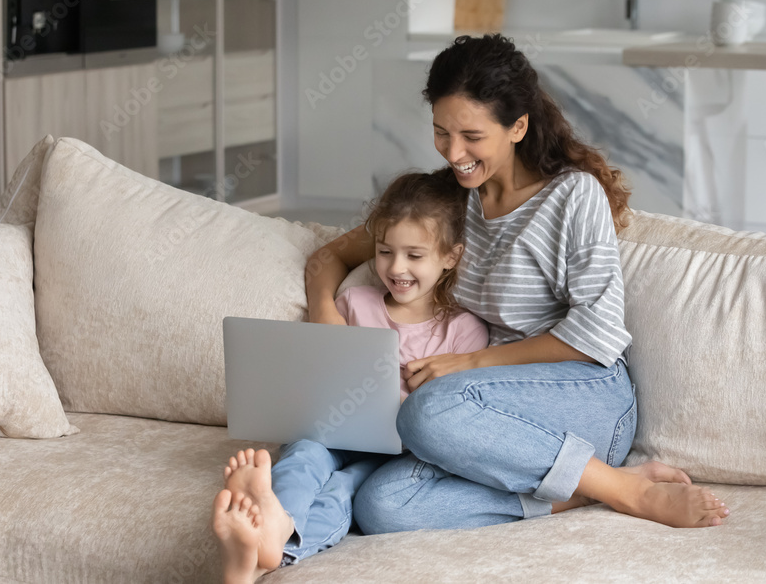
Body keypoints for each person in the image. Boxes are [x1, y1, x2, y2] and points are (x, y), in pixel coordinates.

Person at [311, 34, 732, 534]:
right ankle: (581, 493)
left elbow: (595, 335)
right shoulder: (448, 203)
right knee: (382, 506)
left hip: (584, 397)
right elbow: (329, 257)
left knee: (428, 410)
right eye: (441, 132)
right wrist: (330, 333)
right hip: (485, 418)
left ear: (518, 127)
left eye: (471, 136)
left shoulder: (574, 196)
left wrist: (468, 363)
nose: (454, 152)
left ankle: (630, 491)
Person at [210, 171, 490, 583]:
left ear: (450, 256)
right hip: (335, 429)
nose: (396, 268)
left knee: (346, 491)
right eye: (384, 252)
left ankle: (255, 561)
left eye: (414, 255)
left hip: (397, 451)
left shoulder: (463, 331)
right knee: (303, 456)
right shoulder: (354, 302)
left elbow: (458, 410)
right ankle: (277, 523)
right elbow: (318, 370)